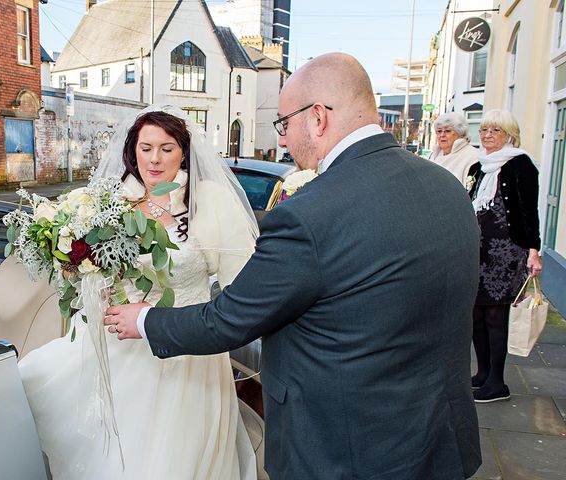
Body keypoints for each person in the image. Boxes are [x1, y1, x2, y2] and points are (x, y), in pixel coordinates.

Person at [106, 53, 482, 479]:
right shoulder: (447, 187)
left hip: (344, 448)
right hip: (440, 438)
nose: (282, 140)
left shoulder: (309, 213)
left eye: (284, 124)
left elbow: (231, 320)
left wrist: (147, 321)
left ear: (317, 117)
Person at [18, 105, 258, 480]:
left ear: (185, 150)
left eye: (166, 148)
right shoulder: (112, 203)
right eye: (146, 148)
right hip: (122, 346)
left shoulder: (210, 201)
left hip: (187, 351)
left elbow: (242, 289)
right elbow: (92, 269)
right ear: (133, 151)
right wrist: (78, 267)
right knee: (33, 388)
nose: (155, 159)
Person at [467, 109, 542, 403]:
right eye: (484, 130)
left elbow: (529, 211)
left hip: (507, 253)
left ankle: (498, 382)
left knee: (496, 314)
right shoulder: (477, 168)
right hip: (478, 253)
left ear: (509, 134)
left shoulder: (521, 165)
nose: (487, 136)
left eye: (495, 131)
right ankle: (483, 373)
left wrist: (533, 251)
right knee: (475, 313)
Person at [428, 112, 479, 183]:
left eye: (447, 131)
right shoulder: (431, 156)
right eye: (439, 131)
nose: (442, 135)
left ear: (460, 133)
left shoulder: (472, 156)